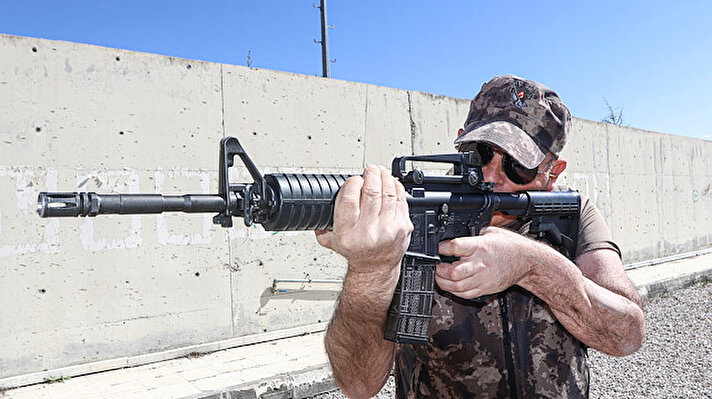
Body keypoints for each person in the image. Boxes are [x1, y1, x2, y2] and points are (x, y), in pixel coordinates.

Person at [315, 75, 645, 398]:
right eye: (479, 153)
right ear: (461, 140)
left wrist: (533, 266)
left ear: (552, 172)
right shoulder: (411, 214)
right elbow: (358, 386)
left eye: (518, 165)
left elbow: (626, 335)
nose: (491, 175)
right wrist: (368, 274)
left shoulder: (572, 214)